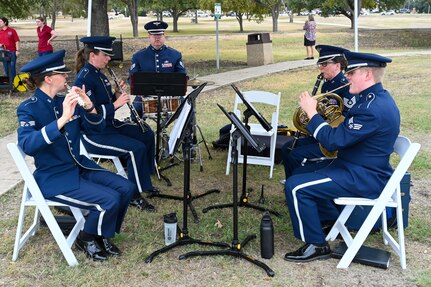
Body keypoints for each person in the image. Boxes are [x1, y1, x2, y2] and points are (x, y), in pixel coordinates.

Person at [16, 50, 136, 261]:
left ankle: (101, 233)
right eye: (62, 74)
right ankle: (88, 237)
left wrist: (89, 106)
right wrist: (63, 119)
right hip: (54, 177)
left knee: (126, 188)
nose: (67, 77)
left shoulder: (67, 100)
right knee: (108, 200)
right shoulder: (28, 109)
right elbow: (28, 145)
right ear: (48, 78)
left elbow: (96, 129)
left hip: (79, 166)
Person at [283, 52, 400, 262]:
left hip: (363, 176)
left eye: (351, 73)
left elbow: (334, 141)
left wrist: (312, 113)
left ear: (367, 75)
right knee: (300, 171)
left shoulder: (372, 108)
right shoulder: (372, 100)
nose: (347, 77)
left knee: (296, 186)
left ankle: (316, 245)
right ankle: (329, 219)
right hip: (353, 166)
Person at [74, 36, 157, 212]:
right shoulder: (84, 79)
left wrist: (116, 95)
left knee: (147, 134)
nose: (109, 58)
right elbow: (89, 116)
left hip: (109, 126)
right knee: (135, 149)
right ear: (92, 56)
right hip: (93, 134)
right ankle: (135, 195)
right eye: (105, 55)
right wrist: (116, 104)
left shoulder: (98, 74)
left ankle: (145, 179)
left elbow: (104, 101)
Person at [281, 45, 355, 181]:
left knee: (295, 155)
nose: (320, 67)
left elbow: (344, 119)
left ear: (337, 66)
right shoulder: (328, 84)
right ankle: (291, 183)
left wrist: (314, 114)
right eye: (319, 64)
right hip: (321, 134)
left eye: (324, 64)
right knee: (286, 148)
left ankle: (297, 182)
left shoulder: (345, 87)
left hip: (331, 140)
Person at [129, 20, 187, 118]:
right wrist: (140, 92)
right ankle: (139, 132)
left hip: (171, 95)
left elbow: (182, 75)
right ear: (149, 37)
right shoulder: (138, 56)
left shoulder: (175, 55)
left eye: (159, 35)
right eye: (154, 35)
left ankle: (185, 133)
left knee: (187, 108)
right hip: (146, 96)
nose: (157, 38)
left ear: (164, 36)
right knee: (135, 109)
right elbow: (132, 78)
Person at [0, 17, 20, 82]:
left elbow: (17, 41)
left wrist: (18, 50)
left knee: (12, 67)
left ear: (5, 22)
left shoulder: (12, 31)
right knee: (6, 67)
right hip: (3, 52)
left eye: (0, 21)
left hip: (12, 52)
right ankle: (9, 83)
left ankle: (14, 83)